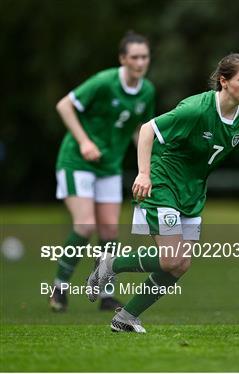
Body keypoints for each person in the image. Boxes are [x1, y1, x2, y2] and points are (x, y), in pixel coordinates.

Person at [86, 53, 239, 333]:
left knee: (180, 265)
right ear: (224, 81)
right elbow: (147, 130)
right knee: (170, 258)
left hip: (192, 194)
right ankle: (111, 263)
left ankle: (126, 317)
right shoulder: (196, 109)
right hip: (163, 184)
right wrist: (144, 174)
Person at [50, 31, 155, 312]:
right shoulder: (104, 82)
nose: (140, 62)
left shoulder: (147, 91)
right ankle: (59, 289)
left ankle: (105, 293)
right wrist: (84, 141)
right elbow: (64, 105)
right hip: (77, 161)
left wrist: (149, 165)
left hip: (109, 166)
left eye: (144, 56)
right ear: (123, 59)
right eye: (134, 57)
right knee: (85, 226)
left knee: (109, 229)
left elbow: (139, 131)